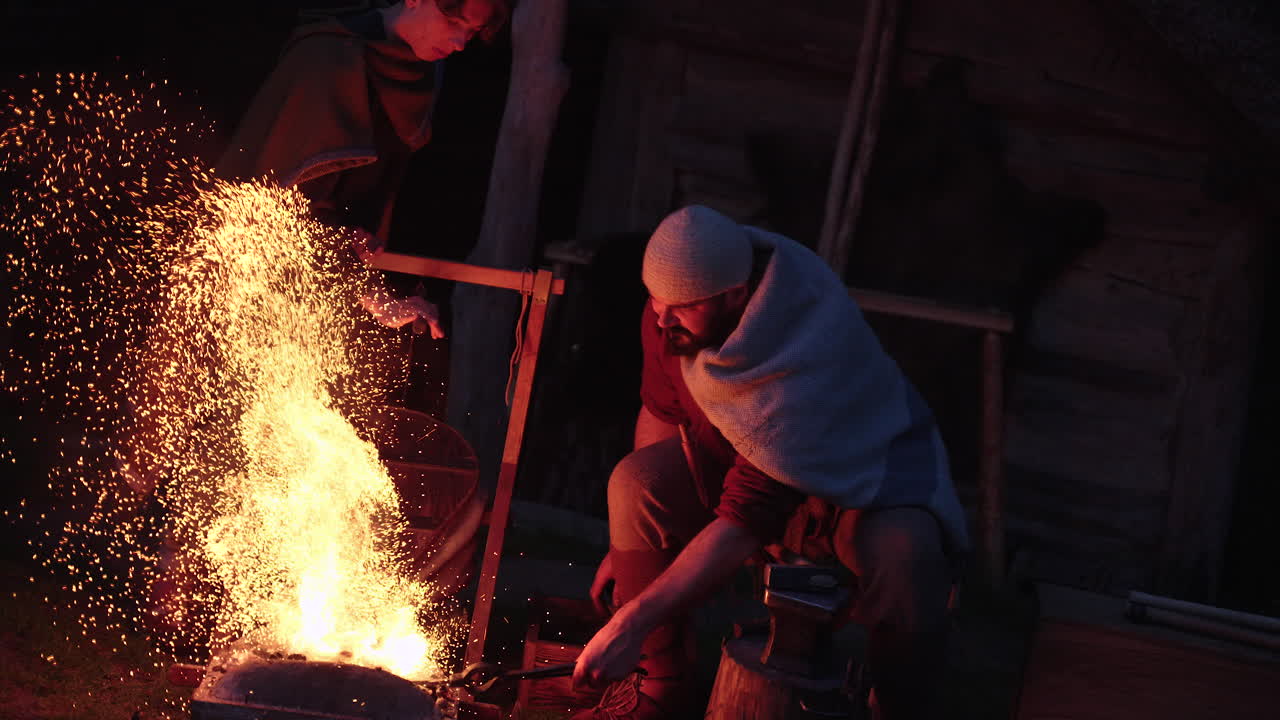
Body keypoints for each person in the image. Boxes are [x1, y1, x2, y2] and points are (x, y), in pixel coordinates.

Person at [569, 205, 970, 720]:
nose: (662, 318)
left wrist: (631, 622)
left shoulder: (803, 347)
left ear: (736, 295)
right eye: (655, 300)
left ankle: (894, 708)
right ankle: (660, 689)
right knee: (635, 484)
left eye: (682, 307)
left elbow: (746, 518)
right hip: (741, 471)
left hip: (860, 485)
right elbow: (661, 409)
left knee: (905, 558)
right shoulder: (669, 317)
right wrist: (629, 547)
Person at [216, 0, 512, 336]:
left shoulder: (418, 76)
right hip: (250, 273)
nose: (460, 43)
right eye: (454, 22)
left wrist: (364, 273)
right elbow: (284, 206)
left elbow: (355, 212)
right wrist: (372, 292)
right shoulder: (327, 58)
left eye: (471, 32)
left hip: (325, 281)